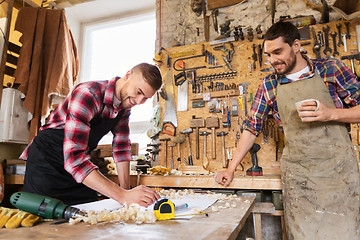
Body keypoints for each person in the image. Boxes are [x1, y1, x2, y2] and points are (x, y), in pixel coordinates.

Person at [215, 21, 360, 239]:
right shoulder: (268, 85)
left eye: (278, 52)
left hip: (338, 176)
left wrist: (331, 114)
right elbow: (252, 128)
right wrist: (230, 168)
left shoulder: (331, 69)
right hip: (299, 178)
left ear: (296, 45)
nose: (273, 60)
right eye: (268, 55)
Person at [21, 63, 162, 206]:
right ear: (128, 75)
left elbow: (121, 148)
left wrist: (126, 193)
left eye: (145, 98)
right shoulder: (87, 94)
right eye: (139, 92)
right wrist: (123, 196)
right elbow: (75, 160)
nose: (138, 102)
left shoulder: (124, 108)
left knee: (87, 216)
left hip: (77, 166)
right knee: (45, 220)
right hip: (47, 162)